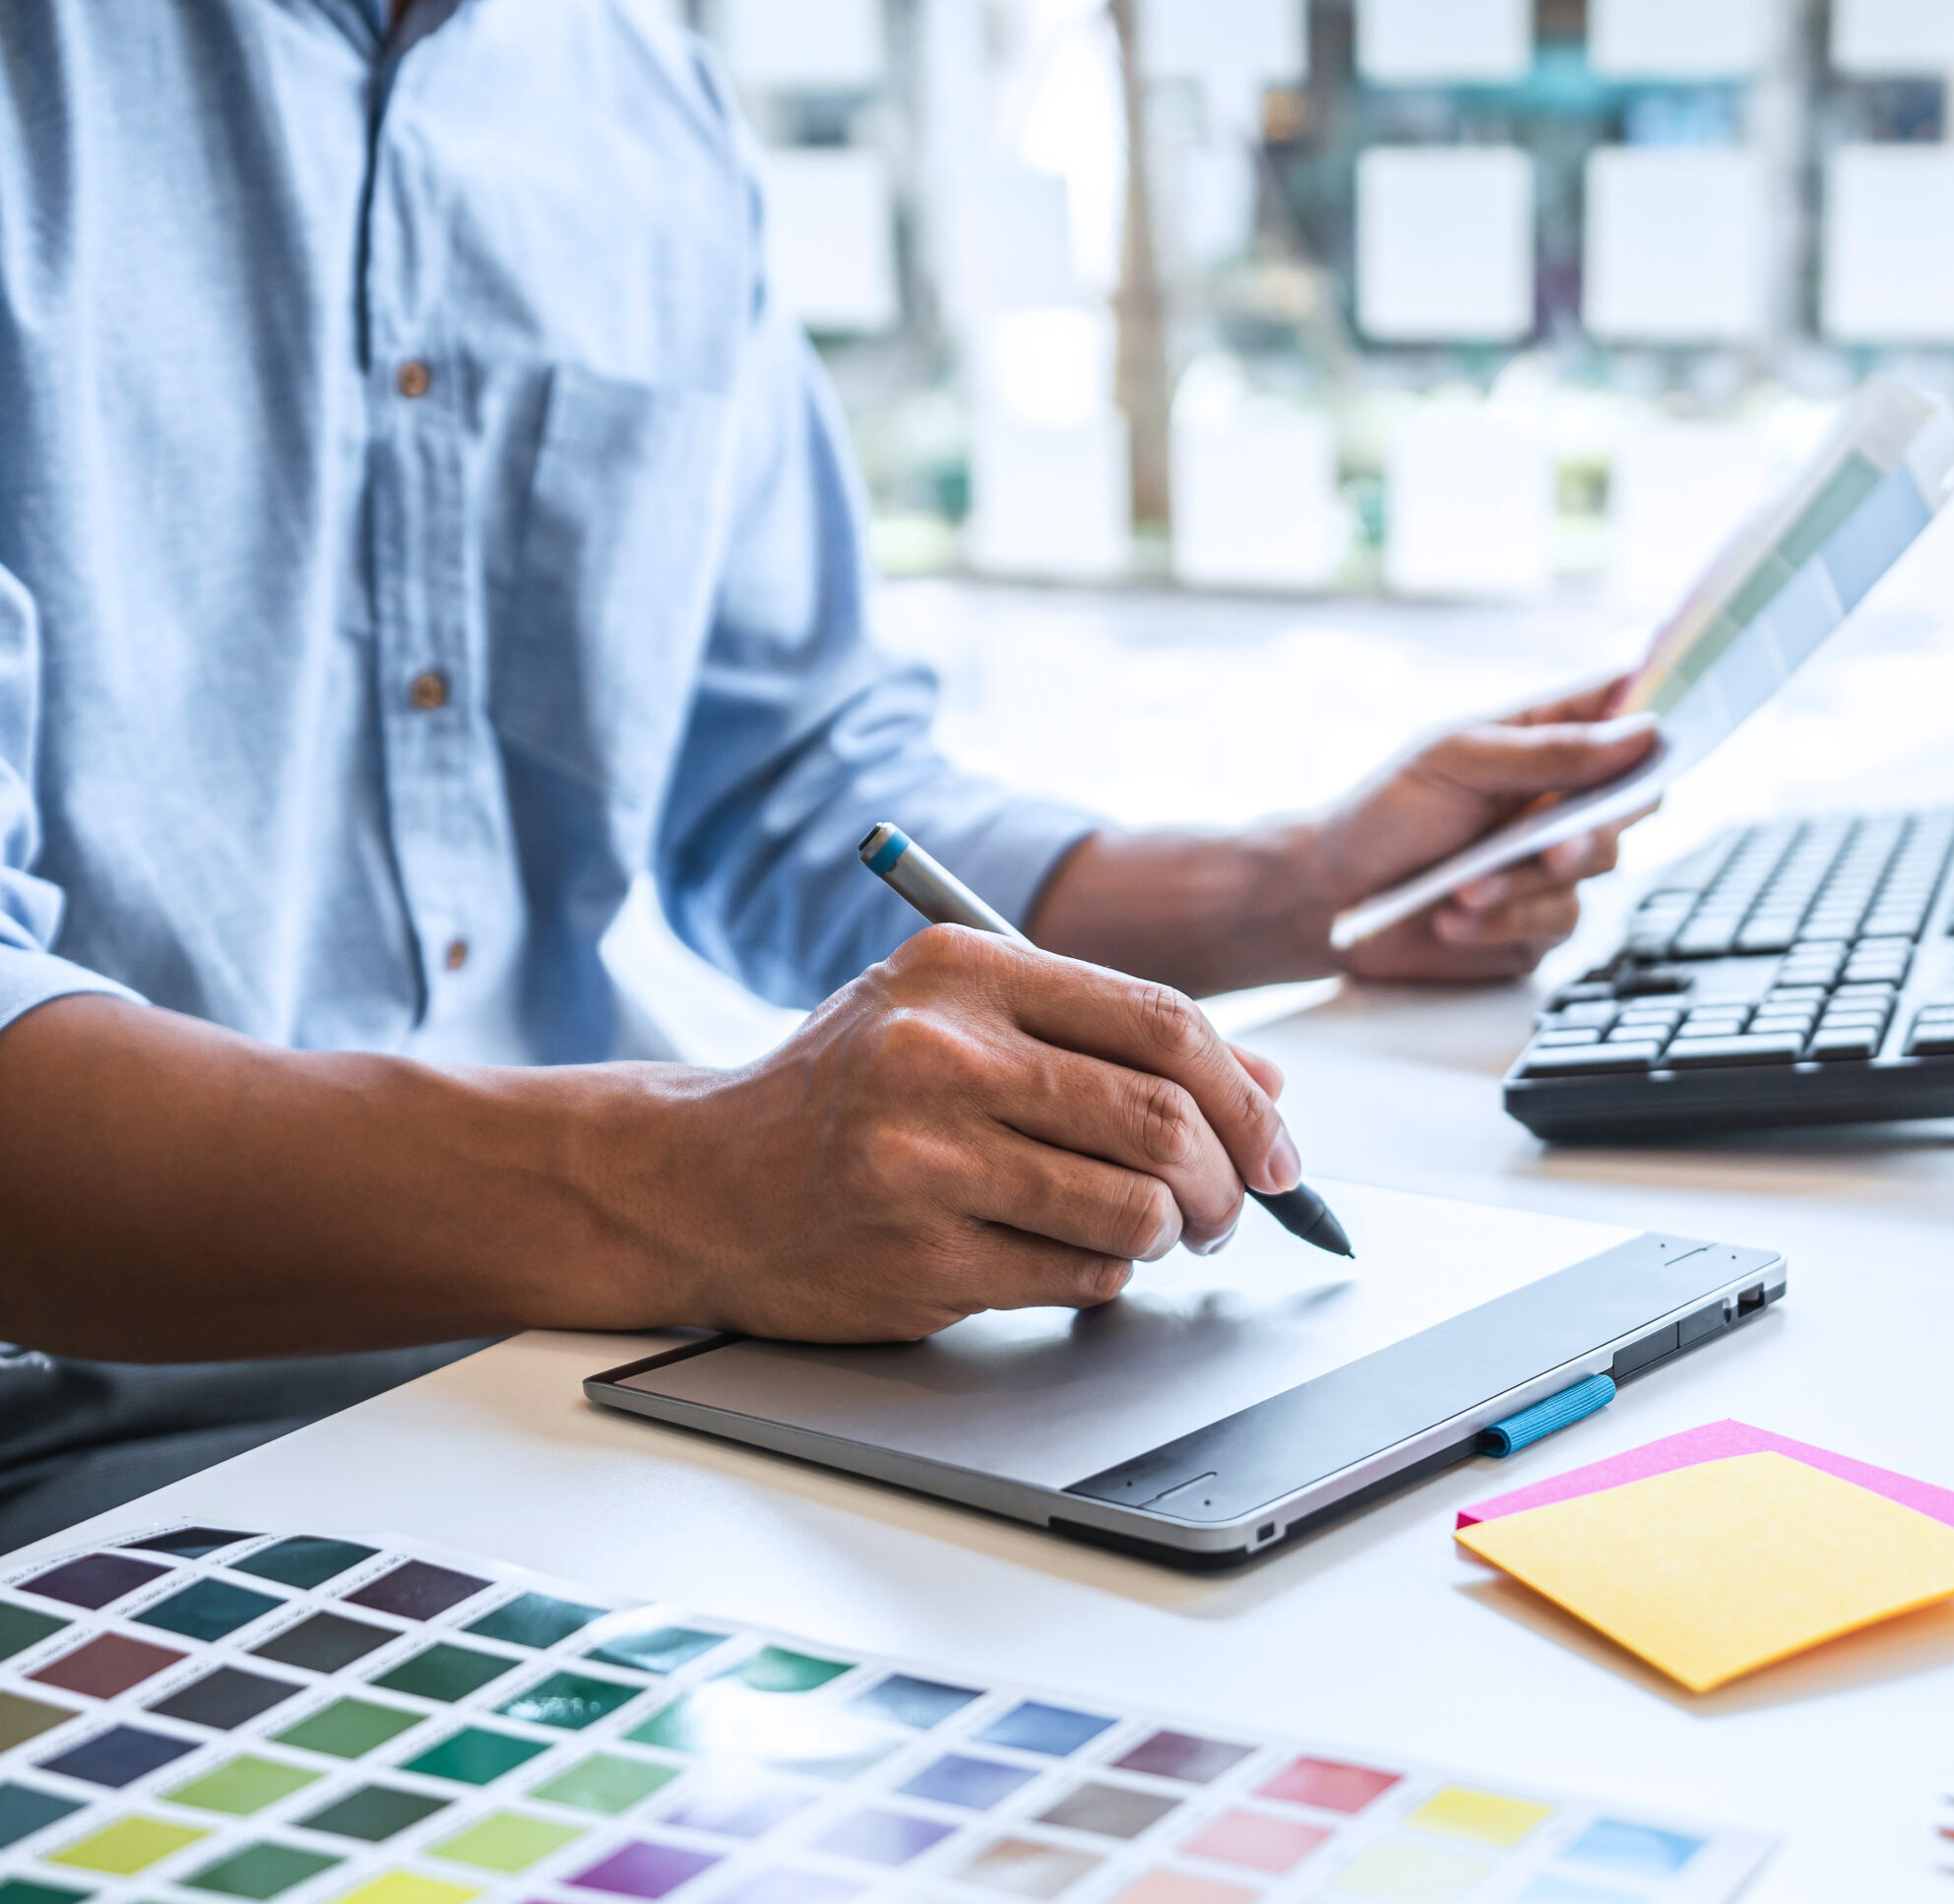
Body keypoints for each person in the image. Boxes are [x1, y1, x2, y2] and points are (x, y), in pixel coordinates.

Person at [0, 0, 1655, 1546]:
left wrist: (1290, 889)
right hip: (103, 1457)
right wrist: (690, 1177)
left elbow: (796, 781)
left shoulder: (633, 86)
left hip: (599, 1368)